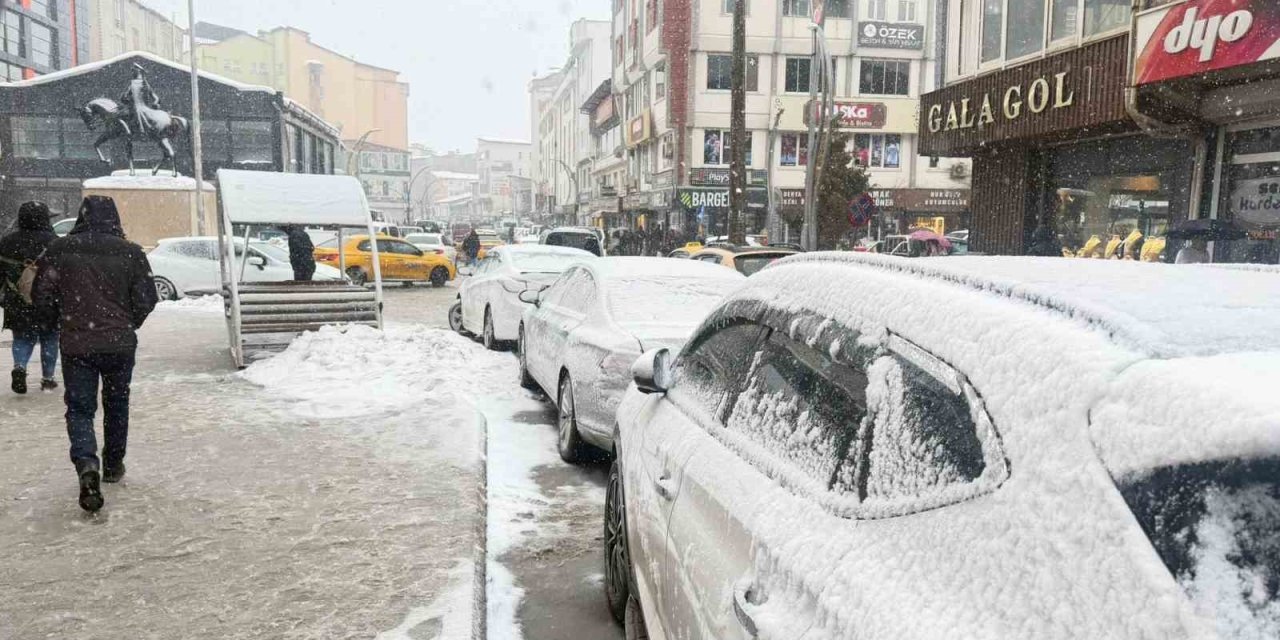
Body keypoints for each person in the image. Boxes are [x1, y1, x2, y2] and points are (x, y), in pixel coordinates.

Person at [32, 195, 158, 513]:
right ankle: (113, 465)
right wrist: (128, 322)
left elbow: (41, 294)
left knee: (79, 410)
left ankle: (88, 463)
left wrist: (58, 321)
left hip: (77, 344)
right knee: (117, 405)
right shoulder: (130, 251)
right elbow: (147, 296)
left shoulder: (60, 250)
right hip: (119, 344)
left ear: (81, 216)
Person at [0, 201, 59, 394]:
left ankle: (20, 367)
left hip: (17, 300)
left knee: (22, 337)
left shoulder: (7, 241)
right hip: (48, 302)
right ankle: (48, 379)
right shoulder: (55, 242)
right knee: (49, 338)